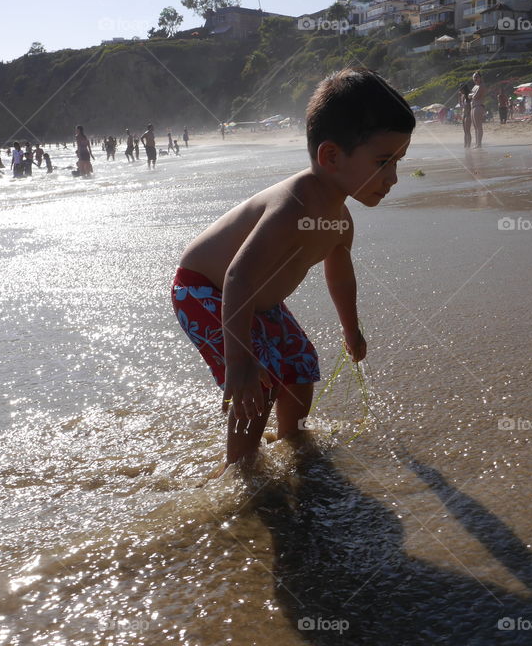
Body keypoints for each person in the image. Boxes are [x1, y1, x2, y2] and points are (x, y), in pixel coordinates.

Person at [171, 67, 414, 471]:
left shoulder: (340, 219)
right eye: (383, 161)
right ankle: (242, 471)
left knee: (300, 362)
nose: (392, 177)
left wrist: (351, 329)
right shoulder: (292, 208)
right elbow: (237, 277)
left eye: (399, 161)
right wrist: (241, 363)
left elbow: (339, 272)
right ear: (331, 156)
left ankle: (293, 442)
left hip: (258, 301)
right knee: (259, 382)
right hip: (204, 291)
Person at [470, 72, 485, 147]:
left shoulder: (481, 85)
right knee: (475, 127)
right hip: (473, 107)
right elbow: (471, 96)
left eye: (476, 77)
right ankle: (477, 143)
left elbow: (474, 96)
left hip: (478, 106)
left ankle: (479, 144)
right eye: (474, 77)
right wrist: (471, 95)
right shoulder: (475, 86)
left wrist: (471, 95)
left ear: (480, 77)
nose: (475, 78)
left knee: (479, 126)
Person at [458, 82, 472, 148]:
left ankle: (468, 145)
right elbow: (461, 105)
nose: (460, 91)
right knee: (465, 132)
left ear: (464, 89)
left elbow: (471, 104)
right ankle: (465, 146)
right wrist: (459, 98)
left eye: (461, 89)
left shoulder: (469, 95)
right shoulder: (462, 96)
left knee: (468, 131)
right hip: (464, 114)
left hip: (468, 114)